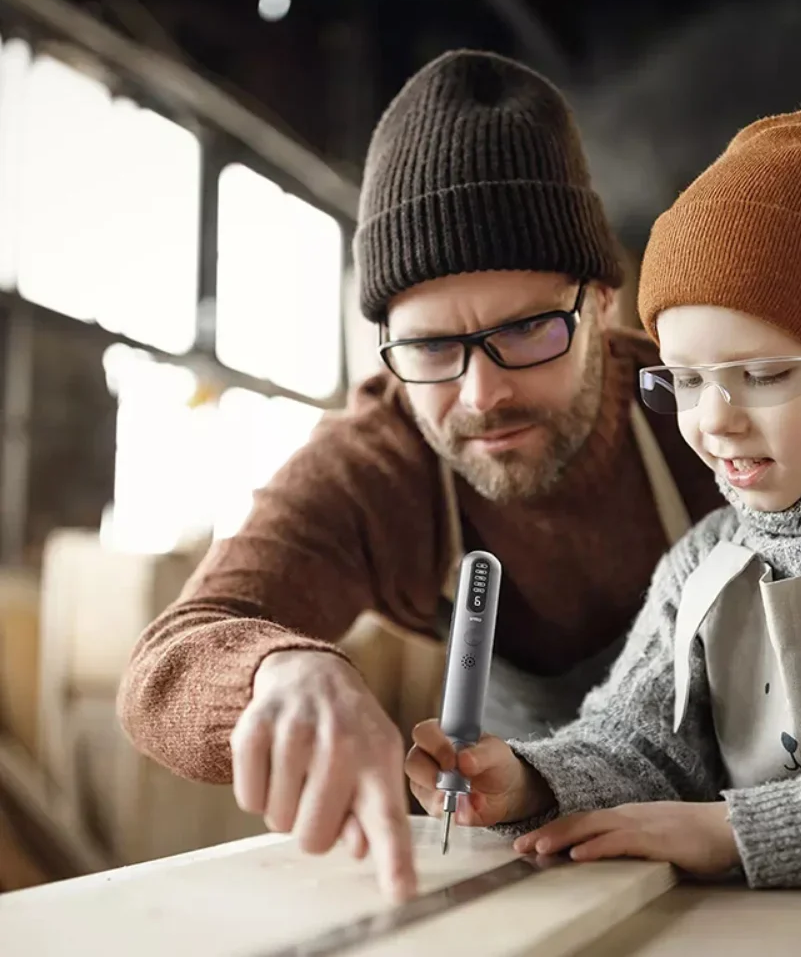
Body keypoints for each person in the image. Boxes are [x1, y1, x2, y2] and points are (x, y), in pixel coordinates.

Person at [114, 48, 722, 901]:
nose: (482, 394)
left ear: (602, 307)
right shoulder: (383, 463)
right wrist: (278, 671)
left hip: (736, 840)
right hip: (536, 860)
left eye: (528, 331)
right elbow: (164, 668)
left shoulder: (703, 415)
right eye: (432, 347)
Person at [406, 98, 801, 888]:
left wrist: (734, 830)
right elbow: (640, 743)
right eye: (684, 380)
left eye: (760, 376)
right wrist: (523, 778)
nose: (714, 420)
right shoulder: (704, 560)